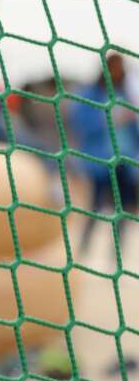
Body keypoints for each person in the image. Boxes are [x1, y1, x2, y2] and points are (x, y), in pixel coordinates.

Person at [67, 51, 139, 253]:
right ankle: (84, 248)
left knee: (125, 208)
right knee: (96, 206)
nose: (118, 71)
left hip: (125, 159)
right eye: (114, 67)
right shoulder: (90, 94)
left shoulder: (125, 93)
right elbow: (81, 124)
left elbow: (134, 128)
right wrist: (110, 119)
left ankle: (117, 251)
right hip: (100, 161)